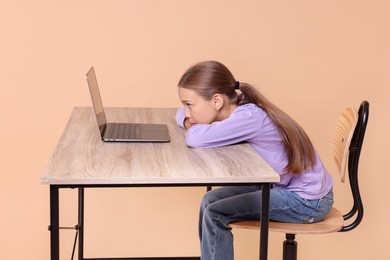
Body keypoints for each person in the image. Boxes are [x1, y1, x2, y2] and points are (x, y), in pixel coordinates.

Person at [175, 60, 334, 260]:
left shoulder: (248, 118)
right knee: (209, 200)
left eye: (190, 104)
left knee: (215, 213)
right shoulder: (237, 110)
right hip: (282, 187)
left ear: (217, 101)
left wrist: (192, 127)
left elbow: (194, 138)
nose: (187, 111)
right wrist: (190, 119)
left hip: (307, 200)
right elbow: (179, 115)